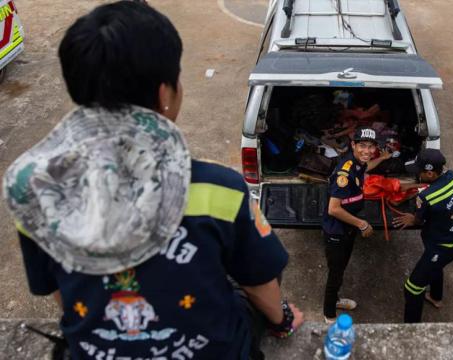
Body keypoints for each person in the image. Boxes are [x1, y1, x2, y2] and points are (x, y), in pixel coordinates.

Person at [2, 2, 302, 359]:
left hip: (95, 349)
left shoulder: (33, 188)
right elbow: (258, 285)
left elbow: (59, 292)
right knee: (249, 270)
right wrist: (282, 319)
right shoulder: (218, 190)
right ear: (165, 94)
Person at [321, 126, 390, 324]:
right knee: (335, 272)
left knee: (341, 267)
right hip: (336, 230)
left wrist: (382, 159)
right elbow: (333, 209)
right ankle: (329, 313)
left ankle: (335, 300)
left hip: (348, 227)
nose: (367, 151)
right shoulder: (345, 172)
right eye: (362, 146)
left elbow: (366, 167)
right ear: (353, 145)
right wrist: (362, 224)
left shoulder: (359, 163)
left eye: (371, 147)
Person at [393, 149, 453, 323]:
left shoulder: (426, 197)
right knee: (436, 267)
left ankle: (412, 330)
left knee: (412, 289)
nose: (417, 174)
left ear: (431, 173)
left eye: (419, 172)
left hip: (441, 247)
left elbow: (419, 220)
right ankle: (435, 297)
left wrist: (412, 218)